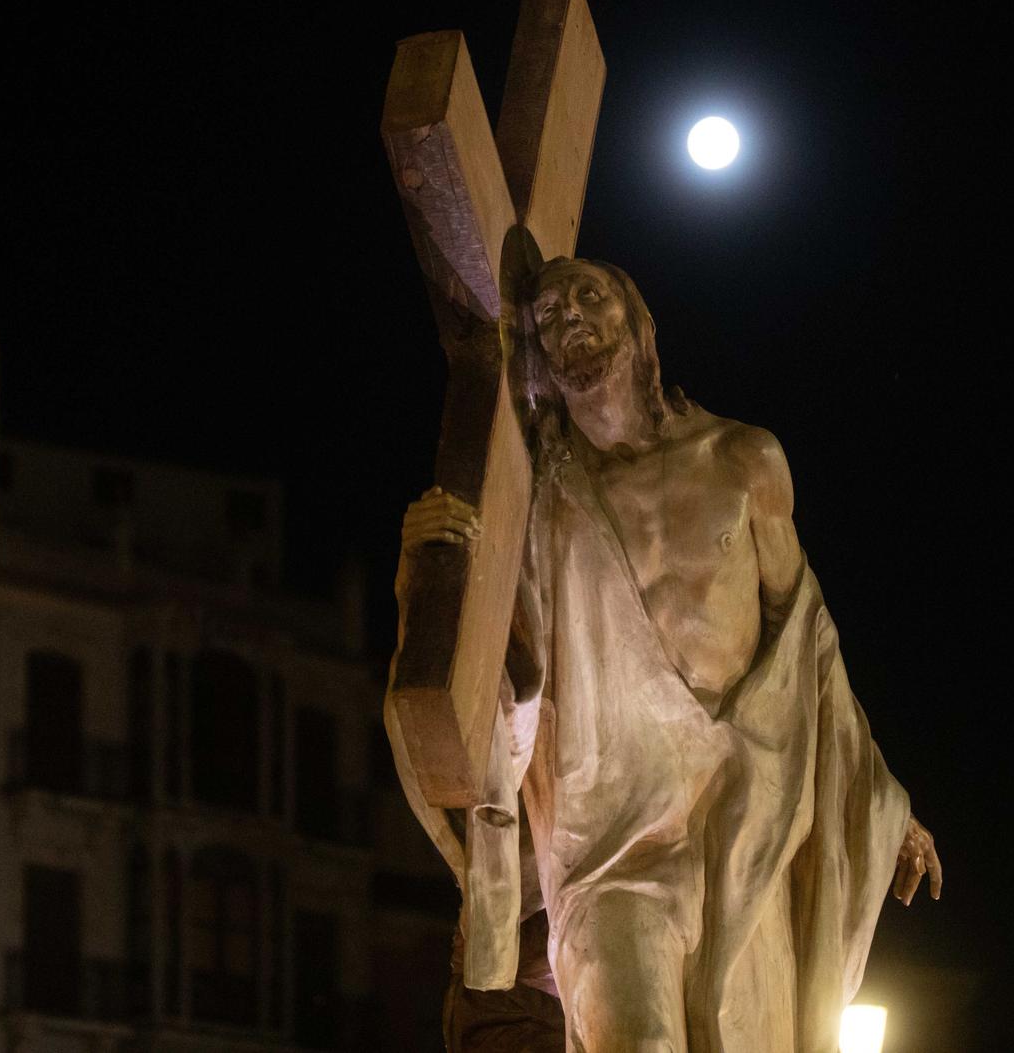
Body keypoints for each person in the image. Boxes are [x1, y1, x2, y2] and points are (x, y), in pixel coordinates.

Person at [392, 257, 939, 1053]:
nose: (570, 316)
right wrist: (426, 568)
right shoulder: (539, 494)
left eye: (590, 297)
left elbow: (808, 641)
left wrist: (881, 797)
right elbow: (487, 658)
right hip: (609, 835)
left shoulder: (744, 460)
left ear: (641, 324)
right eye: (547, 313)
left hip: (742, 818)